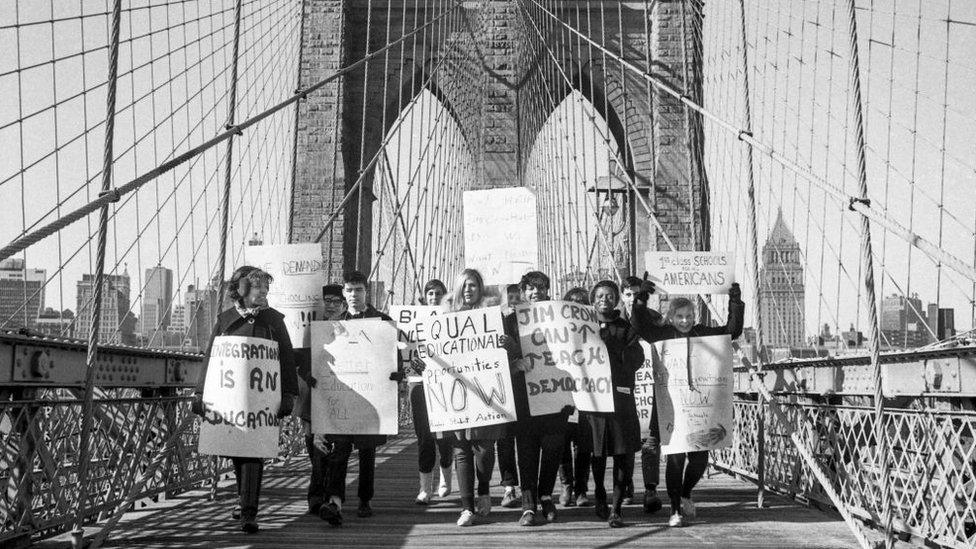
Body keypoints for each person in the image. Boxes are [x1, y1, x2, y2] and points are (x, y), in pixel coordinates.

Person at [630, 278, 744, 527]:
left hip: (699, 408)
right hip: (670, 406)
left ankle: (685, 493)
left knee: (700, 458)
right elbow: (638, 325)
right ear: (670, 317)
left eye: (689, 315)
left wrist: (734, 302)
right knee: (676, 457)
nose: (685, 320)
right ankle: (675, 510)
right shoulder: (660, 335)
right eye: (679, 316)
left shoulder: (703, 333)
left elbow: (731, 331)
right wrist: (640, 299)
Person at [192, 266, 297, 533]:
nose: (264, 292)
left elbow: (287, 358)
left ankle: (249, 512)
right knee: (238, 452)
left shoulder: (274, 322)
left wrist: (288, 394)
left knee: (253, 454)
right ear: (241, 290)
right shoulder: (225, 321)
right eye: (258, 287)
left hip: (262, 402)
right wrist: (200, 393)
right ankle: (243, 500)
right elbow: (211, 360)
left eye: (265, 287)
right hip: (232, 402)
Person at [312, 271, 403, 526]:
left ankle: (365, 499)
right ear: (344, 293)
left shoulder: (382, 322)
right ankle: (335, 502)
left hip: (369, 397)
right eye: (349, 290)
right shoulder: (332, 324)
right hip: (342, 398)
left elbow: (394, 358)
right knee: (338, 450)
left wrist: (397, 374)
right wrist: (314, 377)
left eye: (359, 290)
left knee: (366, 451)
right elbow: (323, 357)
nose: (354, 295)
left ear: (367, 292)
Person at [422, 268, 512, 526]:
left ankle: (484, 489)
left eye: (473, 285)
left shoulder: (494, 318)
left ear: (480, 288)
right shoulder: (445, 322)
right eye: (464, 286)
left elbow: (510, 351)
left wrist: (507, 344)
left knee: (484, 451)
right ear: (458, 289)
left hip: (486, 394)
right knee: (461, 450)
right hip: (457, 396)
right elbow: (432, 356)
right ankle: (467, 507)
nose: (468, 290)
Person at [507, 271, 571, 526]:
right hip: (524, 396)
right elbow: (498, 357)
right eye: (531, 289)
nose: (536, 293)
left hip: (556, 393)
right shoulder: (511, 321)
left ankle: (546, 495)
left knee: (554, 448)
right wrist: (514, 361)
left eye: (541, 288)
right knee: (527, 451)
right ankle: (528, 505)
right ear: (523, 292)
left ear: (547, 291)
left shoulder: (562, 318)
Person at [585, 280, 645, 527]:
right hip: (594, 400)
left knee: (623, 454)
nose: (605, 299)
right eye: (600, 295)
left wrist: (612, 355)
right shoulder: (583, 325)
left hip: (620, 400)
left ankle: (616, 508)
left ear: (617, 299)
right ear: (593, 299)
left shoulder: (626, 327)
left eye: (610, 295)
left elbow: (636, 357)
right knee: (597, 454)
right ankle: (599, 492)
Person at [300, 284, 345, 515]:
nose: (330, 305)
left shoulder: (351, 330)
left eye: (335, 301)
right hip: (313, 395)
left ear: (343, 305)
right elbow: (297, 359)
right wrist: (305, 373)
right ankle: (319, 494)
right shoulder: (309, 329)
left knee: (330, 449)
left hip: (339, 396)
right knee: (314, 449)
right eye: (326, 300)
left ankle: (320, 498)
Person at [410, 279, 456, 504]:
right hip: (419, 383)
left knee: (445, 437)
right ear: (424, 296)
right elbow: (404, 348)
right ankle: (424, 489)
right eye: (429, 293)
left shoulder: (453, 320)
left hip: (444, 382)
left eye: (438, 293)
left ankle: (446, 480)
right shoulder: (412, 321)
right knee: (424, 438)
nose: (433, 297)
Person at [557, 287, 594, 508]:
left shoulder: (594, 328)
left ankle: (581, 488)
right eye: (572, 303)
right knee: (562, 443)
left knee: (583, 444)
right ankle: (566, 485)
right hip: (562, 394)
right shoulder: (557, 330)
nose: (577, 306)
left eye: (581, 303)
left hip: (588, 395)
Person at [616, 277, 642, 506]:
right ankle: (623, 486)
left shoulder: (654, 318)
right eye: (629, 294)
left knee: (634, 439)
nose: (633, 299)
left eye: (638, 294)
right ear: (622, 296)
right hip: (620, 387)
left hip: (645, 386)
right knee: (621, 439)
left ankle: (647, 488)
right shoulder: (614, 320)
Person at [498, 283, 522, 508]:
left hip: (527, 389)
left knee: (525, 439)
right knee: (504, 440)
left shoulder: (535, 321)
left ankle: (529, 488)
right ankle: (509, 487)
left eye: (518, 296)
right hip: (503, 390)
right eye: (510, 296)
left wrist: (514, 348)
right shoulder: (494, 321)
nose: (514, 299)